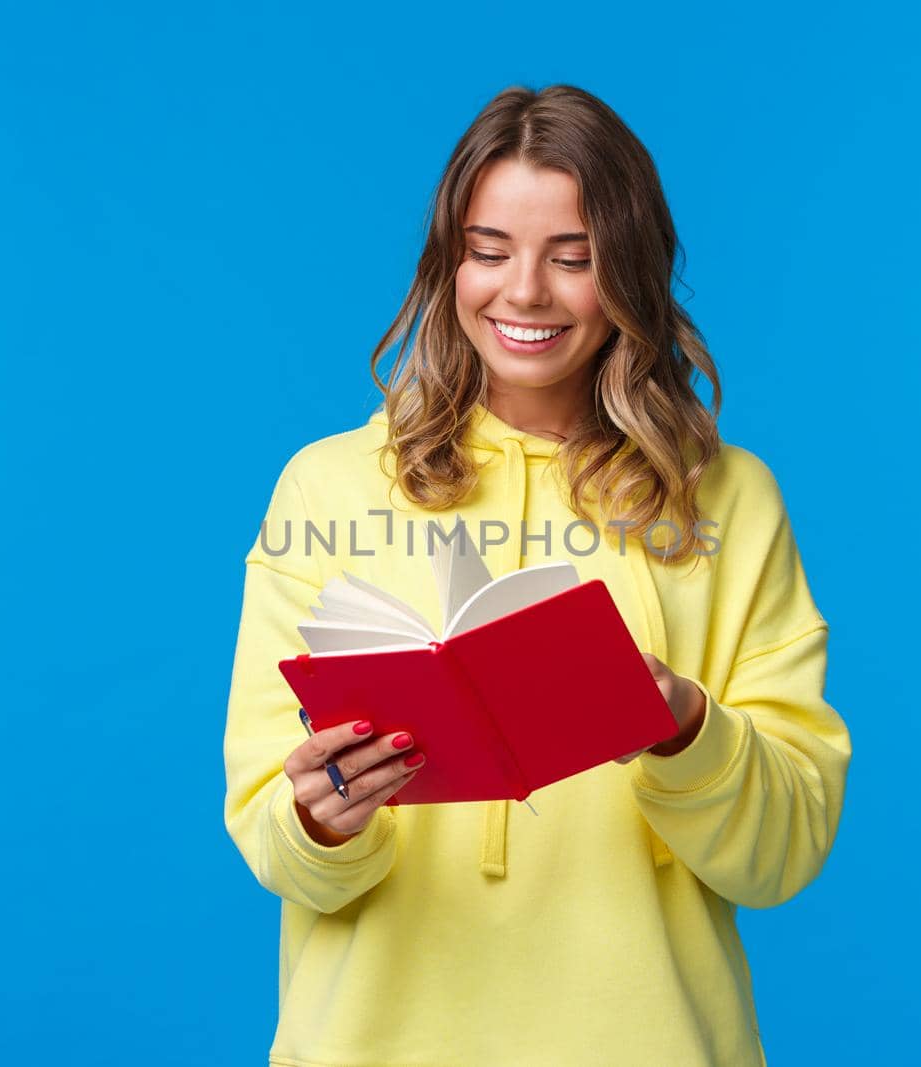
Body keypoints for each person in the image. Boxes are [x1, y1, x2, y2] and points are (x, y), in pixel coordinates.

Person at [223, 83, 851, 1067]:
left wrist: (683, 724)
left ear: (631, 271)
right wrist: (317, 818)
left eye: (573, 257)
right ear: (447, 265)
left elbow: (782, 853)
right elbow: (274, 844)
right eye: (488, 251)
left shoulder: (727, 500)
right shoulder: (325, 485)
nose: (523, 292)